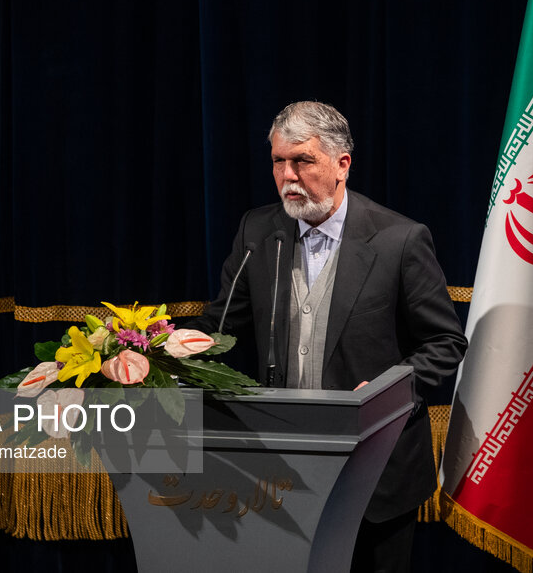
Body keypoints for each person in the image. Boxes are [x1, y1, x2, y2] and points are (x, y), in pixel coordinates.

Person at [195, 100, 467, 572]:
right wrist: (149, 349)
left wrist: (386, 392)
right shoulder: (258, 231)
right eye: (278, 161)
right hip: (284, 469)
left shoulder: (399, 240)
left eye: (303, 160)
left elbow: (446, 343)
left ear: (342, 164)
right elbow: (219, 327)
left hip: (376, 473)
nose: (288, 175)